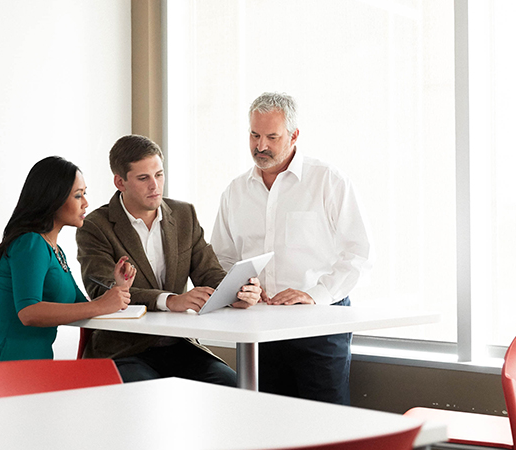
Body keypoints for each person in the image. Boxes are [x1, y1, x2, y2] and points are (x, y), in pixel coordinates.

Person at [210, 92, 372, 404]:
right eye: (255, 135)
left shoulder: (327, 180)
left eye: (272, 136)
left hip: (320, 326)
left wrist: (316, 295)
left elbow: (359, 252)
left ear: (294, 136)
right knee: (269, 423)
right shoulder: (235, 192)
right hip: (259, 328)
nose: (261, 146)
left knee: (327, 425)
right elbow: (221, 258)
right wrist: (238, 291)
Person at [75, 134, 261, 385]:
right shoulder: (96, 227)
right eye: (143, 178)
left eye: (159, 174)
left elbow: (209, 273)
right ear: (120, 182)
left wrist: (239, 292)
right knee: (149, 398)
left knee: (234, 386)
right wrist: (169, 300)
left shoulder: (184, 215)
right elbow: (102, 289)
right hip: (123, 350)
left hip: (180, 346)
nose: (155, 186)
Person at [0, 156, 135, 364]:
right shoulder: (30, 243)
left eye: (85, 194)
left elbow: (82, 307)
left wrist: (118, 288)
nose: (86, 203)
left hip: (34, 365)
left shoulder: (55, 250)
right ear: (53, 198)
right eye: (78, 196)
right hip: (7, 364)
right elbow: (29, 313)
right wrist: (102, 305)